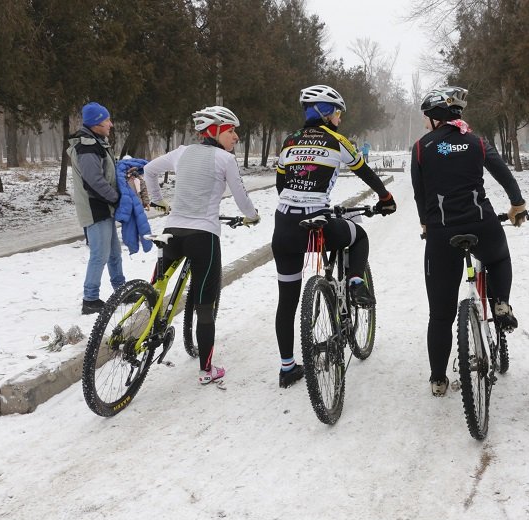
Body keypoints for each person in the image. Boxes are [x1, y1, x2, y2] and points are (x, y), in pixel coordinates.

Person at [272, 84, 396, 389]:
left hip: (285, 227)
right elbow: (365, 172)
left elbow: (279, 185)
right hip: (318, 223)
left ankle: (287, 368)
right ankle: (355, 281)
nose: (339, 118)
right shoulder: (338, 141)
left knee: (287, 300)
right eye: (337, 112)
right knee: (359, 237)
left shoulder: (289, 142)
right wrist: (386, 197)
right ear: (323, 112)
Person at [410, 86, 527, 397]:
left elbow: (420, 194)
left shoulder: (421, 148)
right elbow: (503, 174)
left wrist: (426, 222)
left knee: (440, 313)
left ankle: (438, 379)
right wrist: (517, 204)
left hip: (441, 232)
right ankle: (500, 302)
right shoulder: (477, 142)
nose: (424, 121)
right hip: (482, 224)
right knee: (499, 257)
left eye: (426, 116)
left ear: (436, 118)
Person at [143, 105, 260, 385]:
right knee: (205, 306)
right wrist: (252, 216)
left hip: (172, 230)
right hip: (203, 237)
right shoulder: (225, 159)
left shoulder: (181, 152)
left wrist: (158, 201)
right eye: (231, 131)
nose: (236, 137)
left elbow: (148, 170)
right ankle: (207, 371)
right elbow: (241, 197)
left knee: (157, 287)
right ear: (215, 131)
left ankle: (146, 322)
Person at [67, 102, 125, 315]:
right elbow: (93, 181)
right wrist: (116, 198)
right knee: (100, 254)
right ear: (96, 122)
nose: (111, 124)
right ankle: (90, 299)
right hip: (95, 208)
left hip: (104, 206)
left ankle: (121, 290)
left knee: (114, 253)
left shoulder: (97, 142)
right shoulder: (87, 146)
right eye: (107, 120)